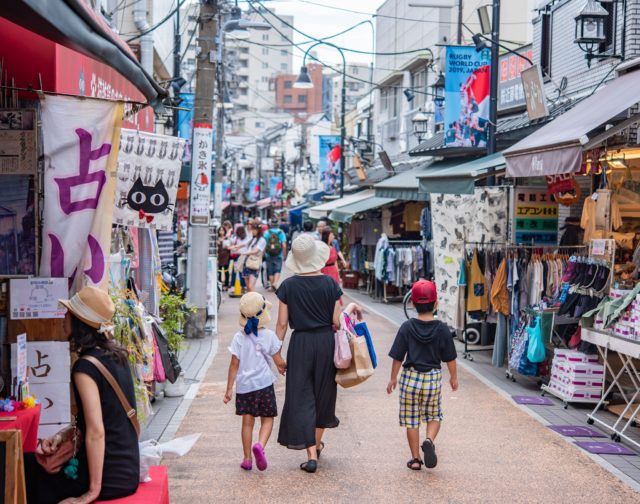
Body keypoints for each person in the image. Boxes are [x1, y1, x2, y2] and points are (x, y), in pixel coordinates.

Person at [25, 286, 139, 503]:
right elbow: (105, 418)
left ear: (80, 322)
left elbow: (97, 432)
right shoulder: (117, 356)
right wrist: (61, 436)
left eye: (68, 313)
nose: (63, 318)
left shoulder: (85, 367)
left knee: (23, 466)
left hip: (107, 477)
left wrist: (91, 493)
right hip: (126, 469)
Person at [275, 234, 362, 473]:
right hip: (326, 343)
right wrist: (351, 308)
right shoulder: (330, 284)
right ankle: (316, 444)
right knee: (323, 395)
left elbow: (282, 325)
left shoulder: (288, 286)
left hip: (300, 343)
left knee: (301, 396)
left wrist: (277, 355)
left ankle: (311, 453)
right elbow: (336, 321)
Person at [386, 280, 458, 471]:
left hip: (410, 378)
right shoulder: (442, 328)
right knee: (434, 415)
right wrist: (453, 377)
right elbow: (450, 357)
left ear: (412, 304)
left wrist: (393, 378)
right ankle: (429, 440)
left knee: (412, 419)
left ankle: (416, 459)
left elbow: (397, 356)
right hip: (432, 378)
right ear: (436, 304)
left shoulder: (407, 327)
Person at [224, 292, 286, 471]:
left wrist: (229, 389)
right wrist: (284, 367)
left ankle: (247, 459)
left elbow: (234, 364)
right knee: (267, 419)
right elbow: (278, 360)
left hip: (244, 387)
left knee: (247, 423)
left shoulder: (238, 337)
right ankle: (260, 445)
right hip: (264, 384)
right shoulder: (269, 336)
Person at [241, 223, 267, 292]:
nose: (253, 231)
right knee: (248, 288)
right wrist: (235, 247)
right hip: (247, 263)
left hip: (254, 264)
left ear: (259, 230)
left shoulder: (262, 240)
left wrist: (244, 253)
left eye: (254, 229)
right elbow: (244, 244)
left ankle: (254, 301)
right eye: (252, 229)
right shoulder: (253, 239)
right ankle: (250, 301)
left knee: (250, 286)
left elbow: (256, 251)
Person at [263, 218, 287, 291]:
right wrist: (284, 254)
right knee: (277, 270)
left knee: (270, 270)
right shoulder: (281, 232)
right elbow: (284, 245)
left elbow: (263, 244)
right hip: (278, 255)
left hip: (268, 254)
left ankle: (272, 284)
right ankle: (275, 283)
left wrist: (263, 254)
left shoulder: (267, 232)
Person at [229, 225, 250, 292]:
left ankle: (234, 286)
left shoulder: (238, 238)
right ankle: (243, 286)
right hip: (243, 257)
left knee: (235, 271)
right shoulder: (246, 238)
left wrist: (235, 247)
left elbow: (239, 245)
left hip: (240, 256)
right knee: (241, 272)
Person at [217, 226, 231, 291]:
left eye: (222, 230)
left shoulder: (227, 238)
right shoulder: (217, 239)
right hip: (219, 256)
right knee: (219, 271)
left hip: (226, 256)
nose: (221, 232)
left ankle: (226, 285)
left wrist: (228, 246)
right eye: (220, 230)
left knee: (226, 271)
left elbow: (229, 247)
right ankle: (219, 285)